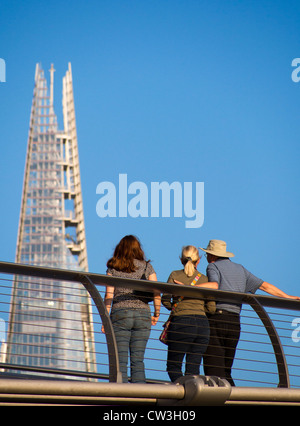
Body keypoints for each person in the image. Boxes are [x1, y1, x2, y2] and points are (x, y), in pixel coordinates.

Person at [200, 239, 300, 386]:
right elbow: (264, 286)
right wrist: (287, 297)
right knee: (226, 371)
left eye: (207, 255)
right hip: (235, 322)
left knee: (213, 370)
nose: (207, 258)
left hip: (217, 319)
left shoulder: (213, 267)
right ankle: (234, 399)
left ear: (212, 255)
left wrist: (186, 288)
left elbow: (214, 285)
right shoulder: (241, 269)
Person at [103, 235, 161, 383]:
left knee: (120, 362)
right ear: (138, 248)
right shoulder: (147, 267)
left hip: (120, 313)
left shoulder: (113, 267)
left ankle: (119, 397)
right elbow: (156, 291)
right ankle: (140, 397)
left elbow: (109, 294)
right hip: (143, 314)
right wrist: (156, 313)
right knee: (138, 361)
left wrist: (105, 319)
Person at [162, 245, 218, 382]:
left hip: (181, 323)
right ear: (198, 260)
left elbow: (165, 299)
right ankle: (191, 393)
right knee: (193, 369)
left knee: (173, 365)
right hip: (202, 325)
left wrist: (175, 308)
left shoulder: (175, 275)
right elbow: (211, 308)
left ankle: (181, 390)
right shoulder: (205, 280)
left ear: (181, 259)